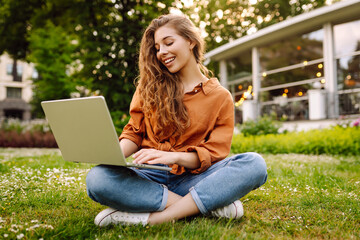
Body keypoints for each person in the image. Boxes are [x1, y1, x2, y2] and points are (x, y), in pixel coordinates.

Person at [86, 13, 267, 227]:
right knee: (97, 179)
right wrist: (112, 156)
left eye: (169, 43)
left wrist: (173, 157)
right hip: (148, 178)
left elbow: (212, 154)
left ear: (191, 41)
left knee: (254, 164)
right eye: (157, 47)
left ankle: (155, 219)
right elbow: (134, 133)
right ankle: (205, 204)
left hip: (193, 178)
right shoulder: (148, 87)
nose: (162, 52)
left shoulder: (220, 97)